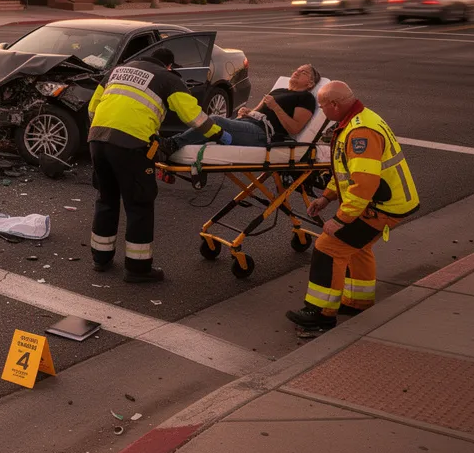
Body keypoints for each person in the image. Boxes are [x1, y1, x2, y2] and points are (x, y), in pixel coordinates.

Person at [286, 81, 420, 331]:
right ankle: (358, 301)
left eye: (322, 107)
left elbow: (363, 185)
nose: (321, 112)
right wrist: (327, 197)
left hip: (380, 206)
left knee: (328, 247)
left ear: (335, 105)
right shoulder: (359, 120)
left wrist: (340, 220)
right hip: (389, 202)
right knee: (357, 248)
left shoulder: (360, 133)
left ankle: (320, 313)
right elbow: (347, 172)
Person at [87, 48, 226, 282]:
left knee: (106, 199)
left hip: (98, 139)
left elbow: (93, 108)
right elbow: (192, 116)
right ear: (169, 65)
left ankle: (101, 259)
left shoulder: (116, 71)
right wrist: (218, 132)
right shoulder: (167, 79)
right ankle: (137, 269)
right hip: (131, 145)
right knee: (139, 205)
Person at [164, 64, 319, 151]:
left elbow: (295, 128)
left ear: (310, 83)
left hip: (263, 134)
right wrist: (247, 111)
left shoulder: (305, 98)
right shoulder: (279, 91)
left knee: (215, 121)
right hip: (249, 124)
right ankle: (176, 146)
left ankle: (173, 144)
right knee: (211, 124)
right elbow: (256, 112)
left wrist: (276, 107)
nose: (297, 72)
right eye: (297, 69)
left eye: (303, 72)